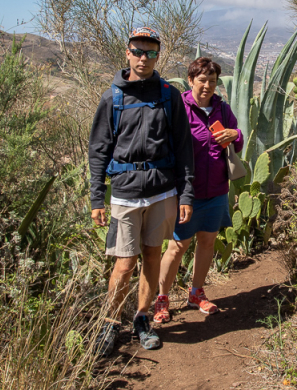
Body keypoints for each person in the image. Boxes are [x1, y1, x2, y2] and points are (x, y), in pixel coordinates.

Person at [88, 26, 194, 355]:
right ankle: (108, 323)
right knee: (124, 263)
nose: (143, 58)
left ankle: (142, 318)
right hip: (123, 193)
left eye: (150, 52)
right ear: (127, 52)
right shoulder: (113, 97)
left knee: (151, 254)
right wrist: (96, 197)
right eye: (138, 51)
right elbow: (98, 150)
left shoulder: (168, 95)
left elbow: (183, 147)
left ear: (157, 56)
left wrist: (186, 193)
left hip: (163, 191)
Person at [153, 57, 243, 323]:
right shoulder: (179, 107)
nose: (207, 86)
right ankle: (162, 298)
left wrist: (234, 135)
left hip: (216, 189)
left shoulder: (222, 109)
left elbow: (237, 139)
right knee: (178, 245)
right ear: (190, 80)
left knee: (207, 241)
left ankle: (196, 293)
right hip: (185, 192)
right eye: (202, 80)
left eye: (212, 81)